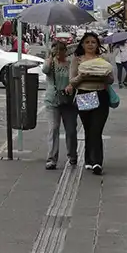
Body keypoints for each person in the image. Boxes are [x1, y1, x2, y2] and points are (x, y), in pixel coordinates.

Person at [68, 32, 116, 175]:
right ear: (82, 44)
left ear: (97, 45)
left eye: (93, 42)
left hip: (101, 95)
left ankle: (97, 162)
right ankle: (88, 159)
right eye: (87, 42)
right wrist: (82, 76)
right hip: (85, 95)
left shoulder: (103, 59)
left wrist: (104, 75)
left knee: (97, 129)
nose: (90, 45)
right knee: (89, 129)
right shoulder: (77, 60)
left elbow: (111, 80)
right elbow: (72, 81)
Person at [41, 41, 77, 170]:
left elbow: (76, 78)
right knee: (54, 128)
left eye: (62, 50)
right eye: (57, 50)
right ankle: (52, 159)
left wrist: (71, 85)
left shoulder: (70, 64)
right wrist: (50, 58)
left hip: (68, 101)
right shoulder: (50, 64)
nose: (59, 53)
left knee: (71, 130)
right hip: (52, 101)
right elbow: (44, 70)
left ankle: (72, 155)